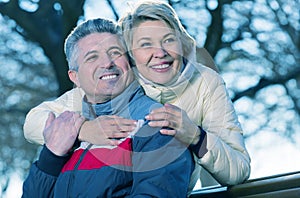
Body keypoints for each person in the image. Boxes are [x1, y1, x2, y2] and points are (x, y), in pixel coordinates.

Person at [23, 0, 250, 189]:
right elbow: (35, 122)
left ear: (181, 43)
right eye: (145, 44)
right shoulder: (119, 79)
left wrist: (195, 136)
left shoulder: (205, 83)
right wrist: (84, 129)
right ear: (131, 54)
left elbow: (238, 169)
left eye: (168, 40)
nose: (160, 53)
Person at [22, 18, 194, 197]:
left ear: (129, 62)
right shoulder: (67, 134)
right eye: (92, 57)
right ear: (75, 77)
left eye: (115, 52)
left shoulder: (157, 123)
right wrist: (52, 156)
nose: (107, 63)